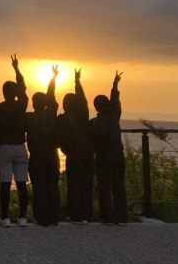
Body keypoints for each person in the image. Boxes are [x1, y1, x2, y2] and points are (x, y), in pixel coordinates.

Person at [0, 54, 30, 228]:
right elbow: (23, 88)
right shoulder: (22, 104)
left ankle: (5, 217)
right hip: (20, 147)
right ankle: (22, 217)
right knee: (22, 183)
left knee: (5, 184)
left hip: (4, 148)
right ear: (16, 93)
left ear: (3, 93)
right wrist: (16, 69)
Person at [90, 71, 127, 225]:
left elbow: (92, 141)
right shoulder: (114, 116)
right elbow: (115, 101)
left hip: (104, 157)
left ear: (96, 107)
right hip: (118, 155)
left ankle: (107, 217)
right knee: (119, 186)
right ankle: (122, 217)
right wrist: (115, 85)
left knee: (104, 187)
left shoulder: (94, 123)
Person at [58, 68, 94, 224]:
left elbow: (59, 138)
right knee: (87, 184)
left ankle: (75, 214)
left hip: (72, 155)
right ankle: (87, 214)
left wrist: (63, 148)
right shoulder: (83, 115)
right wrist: (77, 81)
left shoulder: (62, 119)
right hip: (87, 153)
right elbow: (83, 99)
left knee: (74, 185)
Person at [26, 65, 60, 227]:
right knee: (53, 185)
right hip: (52, 155)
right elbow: (51, 96)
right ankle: (54, 217)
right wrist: (53, 79)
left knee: (39, 186)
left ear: (33, 103)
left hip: (37, 156)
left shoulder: (29, 118)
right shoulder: (52, 114)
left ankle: (41, 217)